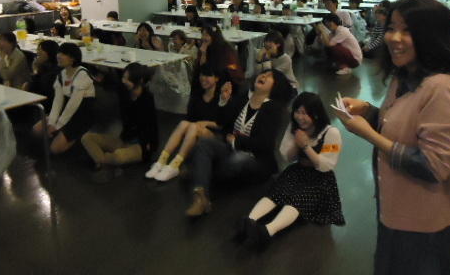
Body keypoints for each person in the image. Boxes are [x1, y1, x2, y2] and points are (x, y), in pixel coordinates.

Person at [335, 0, 450, 275]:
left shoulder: (441, 88)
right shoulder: (405, 77)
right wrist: (369, 111)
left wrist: (369, 135)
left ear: (432, 37)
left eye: (407, 31)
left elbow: (433, 167)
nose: (394, 38)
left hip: (427, 223)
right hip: (397, 210)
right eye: (391, 28)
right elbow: (403, 127)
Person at [237, 92, 344, 248]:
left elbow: (326, 165)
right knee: (276, 193)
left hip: (320, 178)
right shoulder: (294, 127)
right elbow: (287, 156)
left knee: (298, 199)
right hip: (298, 170)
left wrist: (305, 146)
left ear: (316, 115)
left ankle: (267, 231)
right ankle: (249, 221)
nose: (300, 117)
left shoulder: (331, 133)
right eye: (297, 112)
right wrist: (296, 143)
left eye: (305, 113)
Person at [185, 69, 293, 217]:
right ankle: (200, 197)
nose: (263, 75)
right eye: (264, 73)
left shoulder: (273, 109)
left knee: (238, 159)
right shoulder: (244, 98)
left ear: (276, 86)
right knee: (204, 143)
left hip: (256, 159)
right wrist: (223, 100)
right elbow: (222, 123)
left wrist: (236, 141)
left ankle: (201, 170)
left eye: (269, 77)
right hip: (231, 149)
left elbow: (265, 144)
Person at [146, 64, 225, 182]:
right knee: (183, 123)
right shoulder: (197, 96)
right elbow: (189, 119)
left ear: (216, 78)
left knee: (193, 126)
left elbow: (223, 124)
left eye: (208, 75)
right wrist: (197, 125)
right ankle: (161, 161)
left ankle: (175, 165)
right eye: (202, 75)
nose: (203, 78)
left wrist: (204, 123)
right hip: (195, 131)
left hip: (215, 136)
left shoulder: (221, 98)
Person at [82, 63, 157, 177]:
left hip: (140, 146)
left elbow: (152, 126)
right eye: (123, 77)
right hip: (123, 140)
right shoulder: (124, 92)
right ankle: (105, 164)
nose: (124, 81)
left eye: (127, 79)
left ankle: (102, 163)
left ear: (139, 81)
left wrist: (150, 147)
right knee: (87, 138)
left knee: (117, 156)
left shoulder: (147, 99)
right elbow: (111, 82)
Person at [32, 43, 96, 154]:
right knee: (36, 130)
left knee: (54, 149)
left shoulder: (82, 74)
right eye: (59, 53)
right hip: (66, 111)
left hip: (82, 115)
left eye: (63, 54)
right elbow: (58, 101)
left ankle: (80, 139)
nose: (58, 56)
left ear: (72, 58)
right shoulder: (62, 74)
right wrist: (52, 122)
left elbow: (73, 104)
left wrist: (59, 125)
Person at [198, 24, 244, 88]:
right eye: (202, 35)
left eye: (206, 35)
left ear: (214, 36)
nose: (203, 37)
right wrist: (203, 54)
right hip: (211, 79)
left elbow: (227, 71)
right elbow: (202, 68)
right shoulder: (205, 47)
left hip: (227, 81)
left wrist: (213, 79)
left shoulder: (225, 49)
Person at [24, 40, 61, 112]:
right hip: (42, 101)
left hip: (45, 105)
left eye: (40, 50)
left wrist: (35, 71)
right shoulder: (47, 66)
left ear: (49, 52)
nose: (38, 52)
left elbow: (38, 89)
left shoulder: (51, 71)